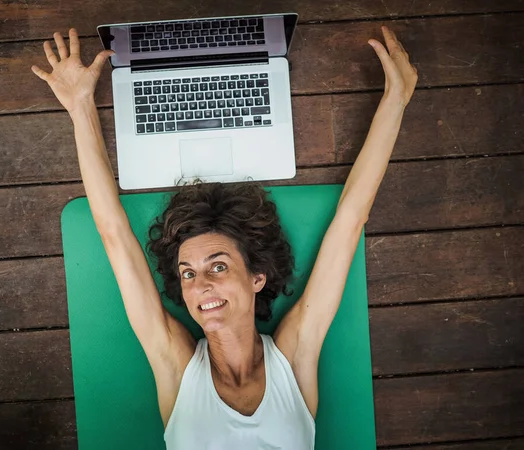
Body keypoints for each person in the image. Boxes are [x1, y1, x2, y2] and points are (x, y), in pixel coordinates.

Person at [32, 25, 417, 449]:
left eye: (218, 265)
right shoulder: (176, 367)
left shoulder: (293, 357)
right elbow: (113, 233)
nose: (202, 286)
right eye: (189, 274)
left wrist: (396, 99)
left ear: (257, 278)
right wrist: (80, 105)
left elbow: (349, 221)